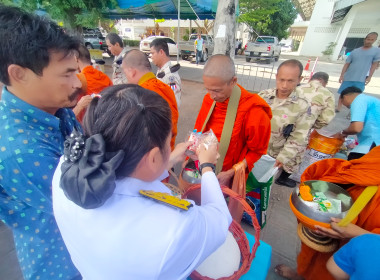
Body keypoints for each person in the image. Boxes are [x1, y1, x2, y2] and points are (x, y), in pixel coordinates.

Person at [52, 84, 232, 280]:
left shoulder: (68, 169)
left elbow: (128, 176)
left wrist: (168, 159)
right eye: (168, 140)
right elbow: (220, 221)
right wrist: (207, 166)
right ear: (153, 157)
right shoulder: (174, 228)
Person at [0, 5, 81, 280]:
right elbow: (85, 203)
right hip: (62, 265)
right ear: (19, 74)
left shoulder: (56, 108)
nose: (78, 81)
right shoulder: (19, 150)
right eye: (67, 74)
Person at [274, 145, 380, 280]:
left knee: (336, 268)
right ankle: (300, 274)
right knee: (316, 253)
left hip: (367, 246)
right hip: (345, 209)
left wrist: (358, 234)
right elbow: (356, 170)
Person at [194, 54, 272, 187]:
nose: (212, 96)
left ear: (233, 81)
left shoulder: (254, 111)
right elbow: (199, 132)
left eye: (217, 90)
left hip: (228, 177)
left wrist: (231, 172)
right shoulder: (209, 99)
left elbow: (257, 152)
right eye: (208, 89)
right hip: (203, 168)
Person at [259, 59, 312, 188]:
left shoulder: (302, 105)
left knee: (263, 187)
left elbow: (299, 137)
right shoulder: (263, 96)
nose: (284, 85)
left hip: (273, 157)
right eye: (281, 80)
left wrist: (283, 158)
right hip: (253, 150)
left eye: (290, 81)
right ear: (276, 77)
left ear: (299, 80)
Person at [121, 49, 178, 150]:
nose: (126, 79)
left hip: (151, 157)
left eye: (125, 74)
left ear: (132, 72)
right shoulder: (165, 88)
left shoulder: (139, 94)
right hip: (168, 151)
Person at [332, 86, 380, 160]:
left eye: (342, 102)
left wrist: (342, 132)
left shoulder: (358, 100)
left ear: (345, 97)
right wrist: (346, 133)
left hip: (372, 145)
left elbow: (356, 128)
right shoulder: (371, 100)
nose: (346, 106)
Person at [336, 32, 380, 112]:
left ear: (375, 40)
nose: (369, 41)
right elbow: (347, 64)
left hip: (361, 78)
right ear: (365, 39)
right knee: (343, 93)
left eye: (372, 40)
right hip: (349, 76)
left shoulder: (376, 51)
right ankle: (338, 108)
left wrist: (369, 77)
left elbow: (374, 65)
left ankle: (352, 111)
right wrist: (342, 75)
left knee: (356, 95)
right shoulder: (355, 51)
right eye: (368, 39)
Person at [73, 44, 112, 122]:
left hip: (86, 124)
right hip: (104, 121)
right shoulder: (104, 77)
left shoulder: (77, 79)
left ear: (75, 59)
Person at [150, 38, 182, 107]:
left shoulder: (170, 77)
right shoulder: (161, 71)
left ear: (161, 52)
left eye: (153, 53)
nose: (151, 56)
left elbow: (175, 103)